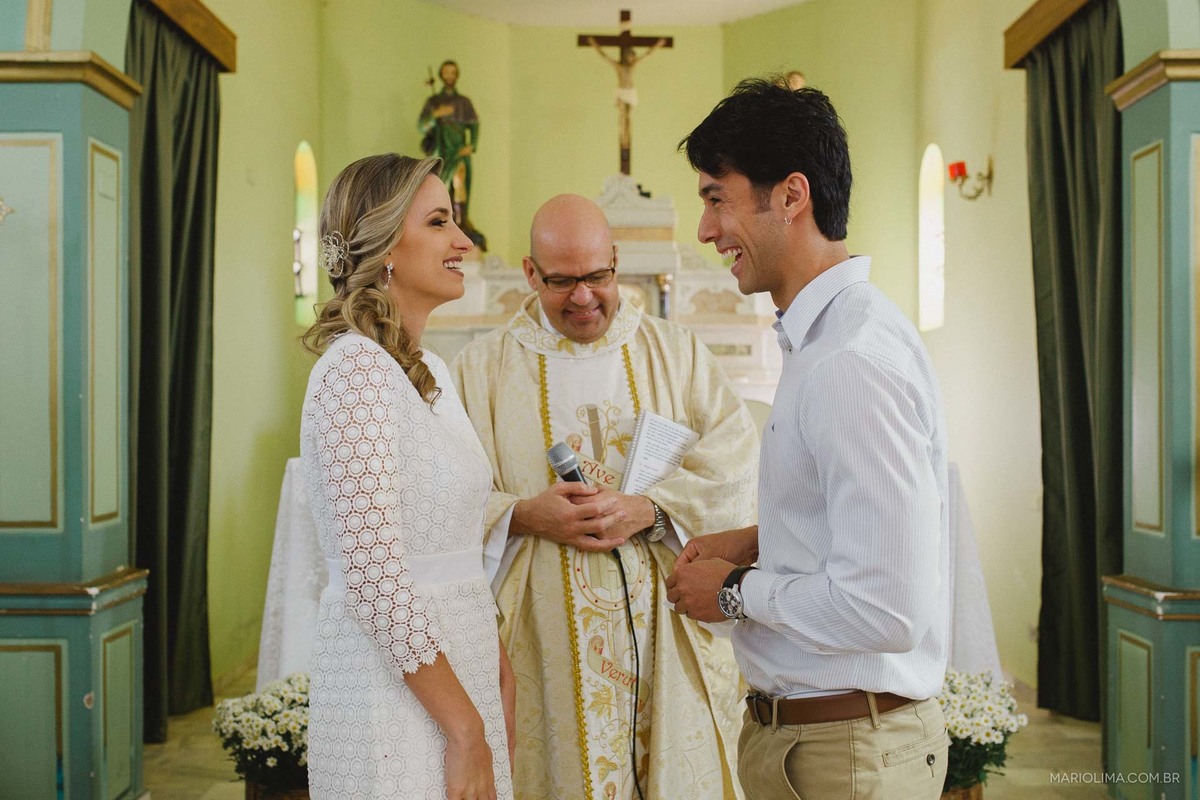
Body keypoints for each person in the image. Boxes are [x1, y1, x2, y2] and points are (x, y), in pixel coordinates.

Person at [667, 79, 951, 800]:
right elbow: (854, 528)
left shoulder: (849, 360)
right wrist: (763, 540)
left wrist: (734, 593)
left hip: (845, 756)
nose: (705, 230)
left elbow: (887, 606)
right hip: (820, 744)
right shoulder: (824, 339)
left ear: (791, 196)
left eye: (716, 198)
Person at [450, 194, 758, 800]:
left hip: (664, 631)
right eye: (562, 280)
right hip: (542, 644)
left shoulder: (676, 354)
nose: (584, 296)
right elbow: (440, 495)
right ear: (531, 273)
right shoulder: (481, 370)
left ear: (616, 263)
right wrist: (521, 514)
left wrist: (652, 507)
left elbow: (736, 459)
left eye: (597, 276)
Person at [299, 153, 514, 800]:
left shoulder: (431, 373)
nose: (465, 242)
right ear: (386, 243)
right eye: (441, 222)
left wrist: (494, 668)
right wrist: (465, 728)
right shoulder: (354, 372)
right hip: (393, 694)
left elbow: (453, 547)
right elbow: (374, 578)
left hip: (459, 670)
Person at [418, 60, 486, 249]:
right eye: (446, 72)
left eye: (453, 72)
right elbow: (421, 126)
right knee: (441, 187)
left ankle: (459, 220)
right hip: (441, 153)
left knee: (460, 181)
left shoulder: (464, 102)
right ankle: (444, 220)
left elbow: (474, 125)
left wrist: (471, 145)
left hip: (459, 152)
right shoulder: (434, 103)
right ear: (441, 75)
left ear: (457, 75)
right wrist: (435, 115)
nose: (449, 76)